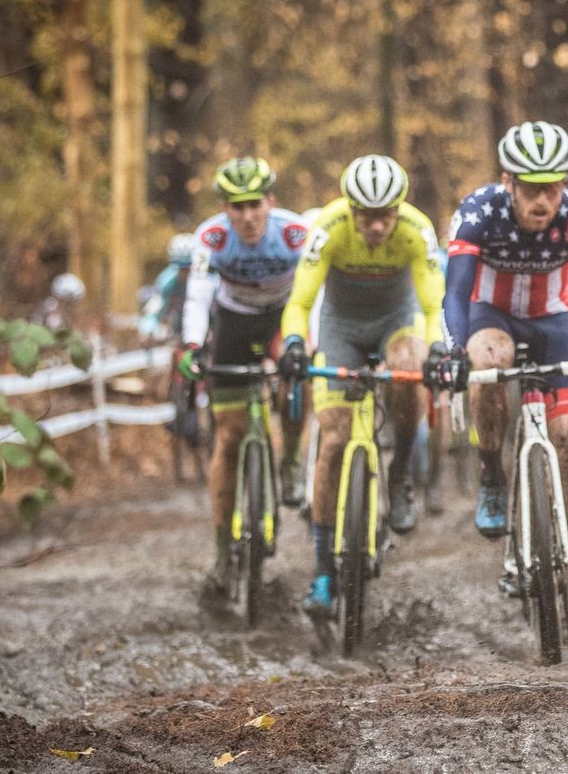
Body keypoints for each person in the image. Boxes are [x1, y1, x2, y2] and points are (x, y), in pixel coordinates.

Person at [427, 121, 568, 644]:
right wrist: (453, 348)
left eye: (552, 187)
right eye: (531, 187)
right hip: (490, 316)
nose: (542, 200)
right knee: (488, 362)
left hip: (555, 322)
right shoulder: (477, 213)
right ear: (508, 181)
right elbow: (455, 294)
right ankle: (492, 471)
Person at [280, 155, 444, 619]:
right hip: (340, 328)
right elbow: (300, 302)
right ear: (350, 210)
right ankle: (322, 572)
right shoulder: (328, 228)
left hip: (398, 321)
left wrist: (438, 350)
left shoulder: (417, 229)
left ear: (399, 208)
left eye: (385, 215)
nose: (376, 226)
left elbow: (434, 306)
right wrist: (295, 342)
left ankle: (401, 473)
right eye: (366, 217)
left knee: (410, 365)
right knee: (332, 440)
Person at [178, 156, 309, 608]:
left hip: (283, 319)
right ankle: (220, 557)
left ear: (270, 201)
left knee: (301, 377)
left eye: (255, 204)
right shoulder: (211, 237)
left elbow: (316, 291)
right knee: (229, 439)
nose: (248, 216)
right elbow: (197, 296)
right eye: (238, 206)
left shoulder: (293, 233)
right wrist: (193, 345)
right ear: (224, 209)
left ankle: (290, 460)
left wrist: (306, 343)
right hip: (233, 323)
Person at [138, 233, 197, 342]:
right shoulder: (166, 281)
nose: (185, 273)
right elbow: (155, 307)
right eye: (180, 268)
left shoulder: (206, 279)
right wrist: (147, 329)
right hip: (178, 321)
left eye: (188, 268)